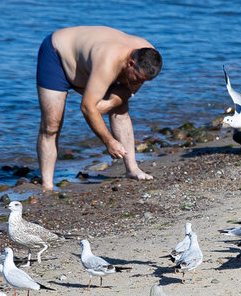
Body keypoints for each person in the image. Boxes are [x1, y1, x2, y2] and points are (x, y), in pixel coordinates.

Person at [36, 25, 162, 191]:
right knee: (51, 124)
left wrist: (109, 104)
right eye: (138, 79)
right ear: (131, 63)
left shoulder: (148, 55)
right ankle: (47, 185)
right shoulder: (108, 62)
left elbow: (128, 92)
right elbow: (87, 108)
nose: (140, 84)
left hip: (88, 68)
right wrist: (109, 141)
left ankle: (132, 169)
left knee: (120, 108)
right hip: (57, 57)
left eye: (145, 81)